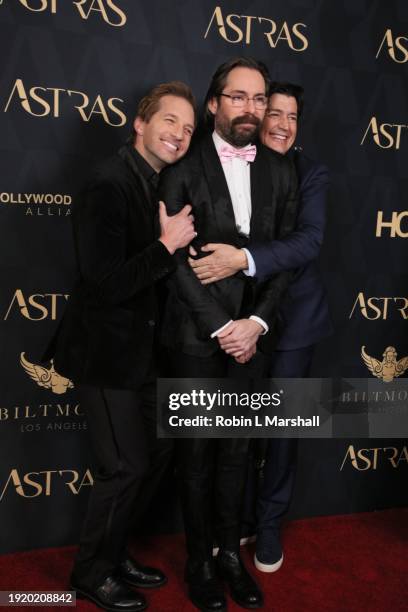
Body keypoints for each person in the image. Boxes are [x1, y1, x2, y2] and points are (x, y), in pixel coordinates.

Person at [45, 82, 197, 612]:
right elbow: (104, 284)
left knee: (156, 451)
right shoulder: (106, 184)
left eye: (187, 127)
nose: (179, 133)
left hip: (142, 353)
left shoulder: (153, 183)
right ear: (140, 123)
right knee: (124, 465)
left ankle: (111, 552)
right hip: (104, 354)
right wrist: (165, 246)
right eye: (169, 121)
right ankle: (89, 574)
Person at [160, 60, 299, 611]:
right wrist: (221, 326)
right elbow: (172, 264)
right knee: (195, 460)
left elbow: (284, 259)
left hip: (251, 339)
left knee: (237, 457)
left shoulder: (282, 171)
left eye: (258, 98)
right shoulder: (181, 167)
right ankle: (197, 563)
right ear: (213, 104)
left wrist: (256, 324)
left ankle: (227, 558)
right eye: (237, 97)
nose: (250, 108)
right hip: (195, 338)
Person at [187, 81, 332, 574]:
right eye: (276, 112)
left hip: (294, 323)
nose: (284, 124)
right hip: (235, 323)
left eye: (293, 117)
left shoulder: (312, 172)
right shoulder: (232, 162)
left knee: (283, 431)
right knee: (237, 428)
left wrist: (242, 259)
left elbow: (307, 242)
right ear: (255, 115)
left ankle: (269, 523)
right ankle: (234, 523)